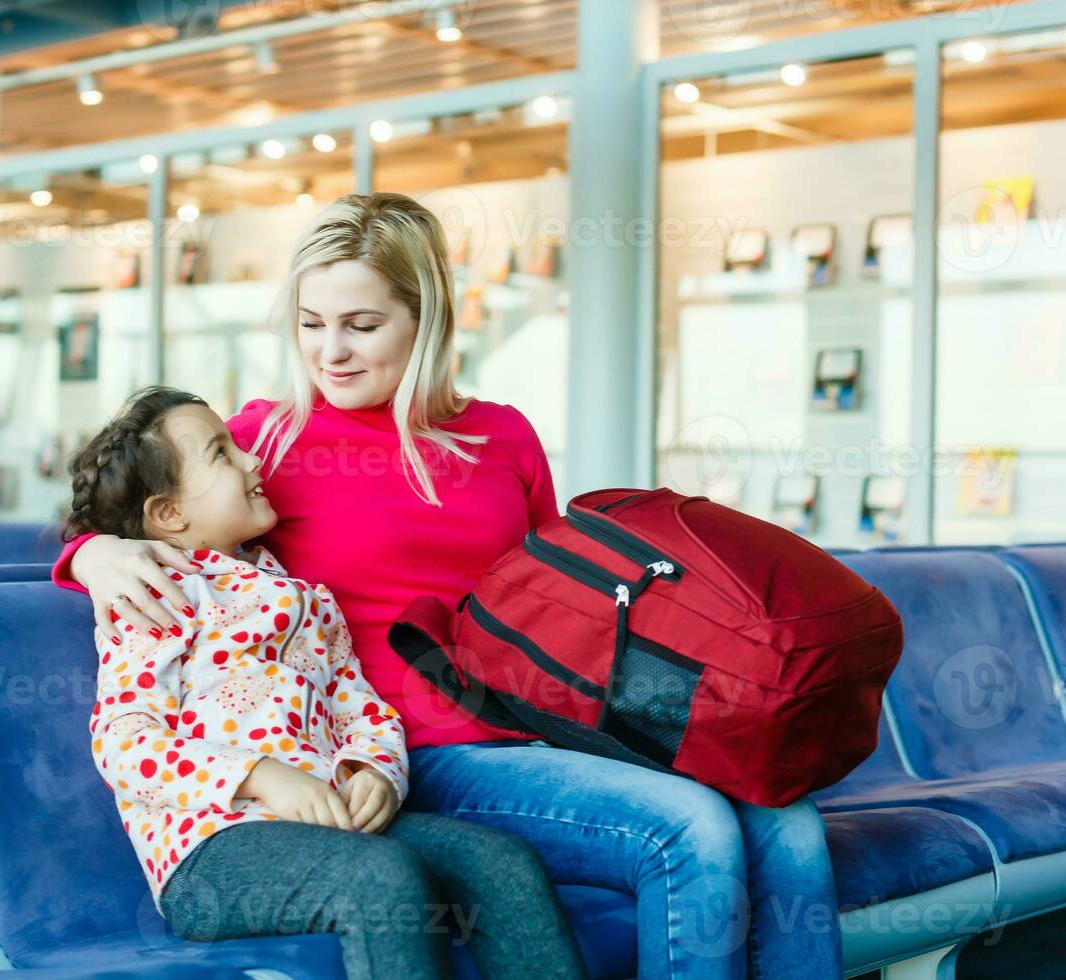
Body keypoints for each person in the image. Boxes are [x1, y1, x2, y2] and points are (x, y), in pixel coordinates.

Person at [55, 192, 843, 979]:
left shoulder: (503, 436)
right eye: (310, 323)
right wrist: (90, 554)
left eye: (362, 325)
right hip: (409, 755)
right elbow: (157, 506)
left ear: (425, 316)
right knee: (688, 828)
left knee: (788, 820)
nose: (331, 352)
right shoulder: (269, 436)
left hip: (533, 733)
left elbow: (559, 605)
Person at [66, 384, 588, 980]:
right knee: (382, 878)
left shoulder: (305, 598)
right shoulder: (156, 597)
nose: (252, 459)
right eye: (222, 454)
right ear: (168, 514)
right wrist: (261, 776)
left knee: (500, 862)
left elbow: (360, 705)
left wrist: (376, 772)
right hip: (213, 850)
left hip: (328, 825)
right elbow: (123, 742)